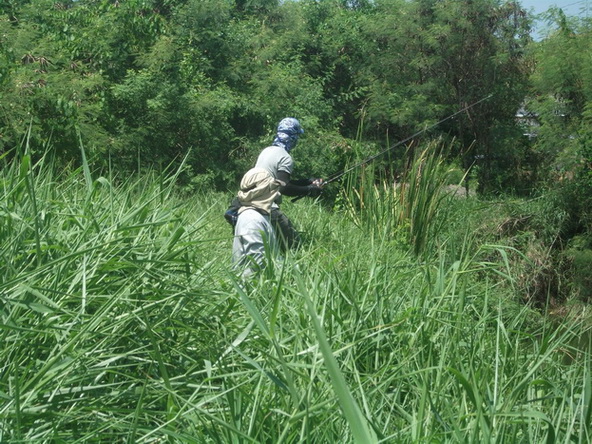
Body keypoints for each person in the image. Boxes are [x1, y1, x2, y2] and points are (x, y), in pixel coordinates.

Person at [225, 117, 324, 250]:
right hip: (267, 204)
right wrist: (309, 189)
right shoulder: (286, 158)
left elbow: (280, 181)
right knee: (293, 246)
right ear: (293, 137)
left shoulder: (267, 150)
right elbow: (284, 187)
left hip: (250, 199)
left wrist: (307, 182)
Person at [232, 167, 284, 278]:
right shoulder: (251, 219)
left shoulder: (258, 215)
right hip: (252, 291)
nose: (277, 192)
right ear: (263, 192)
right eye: (274, 187)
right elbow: (258, 266)